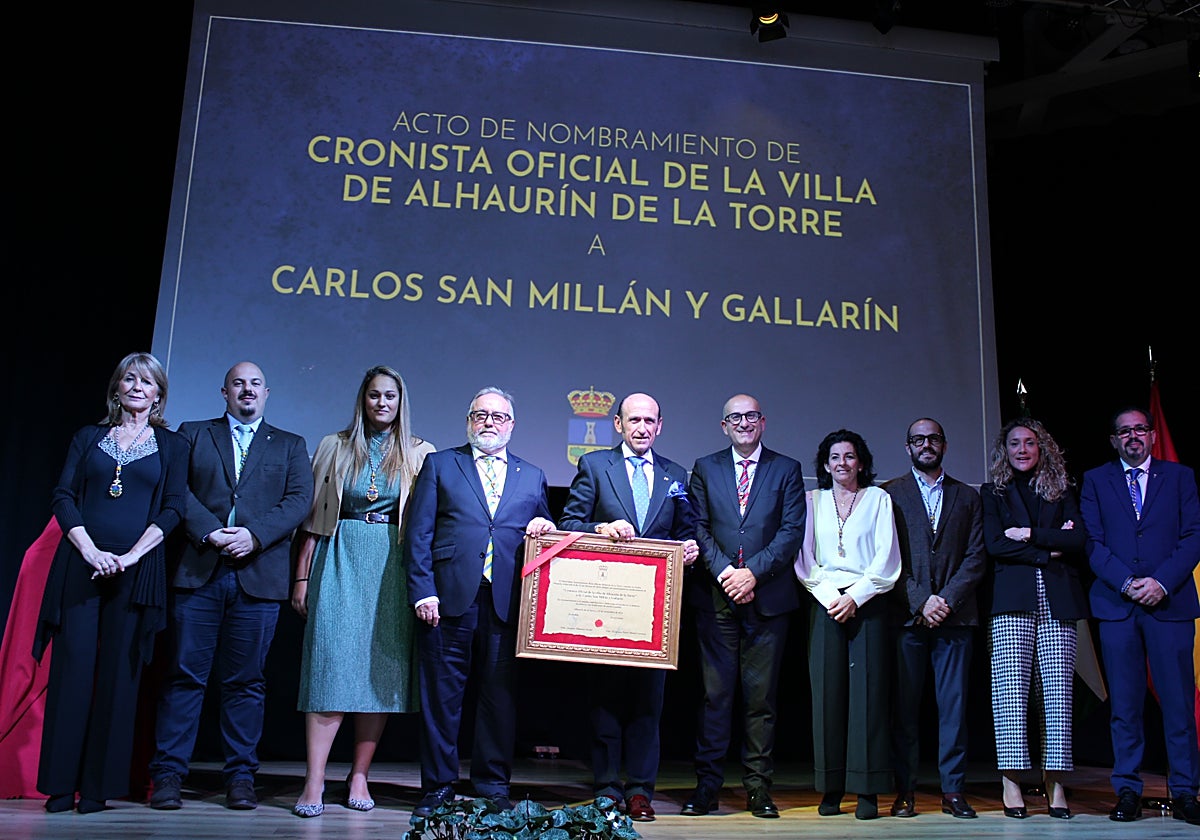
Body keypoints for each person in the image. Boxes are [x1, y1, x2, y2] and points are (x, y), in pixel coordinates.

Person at [148, 361, 313, 811]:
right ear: (224, 392)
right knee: (184, 678)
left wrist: (253, 536)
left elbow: (299, 500)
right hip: (199, 572)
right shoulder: (194, 433)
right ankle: (167, 775)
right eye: (238, 383)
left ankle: (240, 777)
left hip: (258, 579)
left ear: (267, 392)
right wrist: (210, 531)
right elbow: (176, 490)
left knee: (246, 682)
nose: (247, 390)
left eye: (255, 383)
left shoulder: (291, 444)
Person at [33, 352, 189, 814]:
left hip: (136, 570)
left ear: (159, 393)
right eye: (130, 379)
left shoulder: (172, 445)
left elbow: (174, 508)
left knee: (119, 679)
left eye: (148, 381)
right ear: (116, 388)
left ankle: (97, 789)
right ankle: (60, 785)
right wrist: (92, 553)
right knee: (73, 672)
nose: (138, 387)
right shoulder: (88, 437)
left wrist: (129, 557)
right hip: (82, 564)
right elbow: (64, 496)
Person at [289, 366, 435, 817]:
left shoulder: (419, 452)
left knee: (379, 675)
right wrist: (301, 577)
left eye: (390, 396)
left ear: (400, 401)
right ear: (363, 399)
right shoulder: (334, 445)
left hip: (392, 567)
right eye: (374, 395)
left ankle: (359, 775)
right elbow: (312, 519)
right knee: (329, 668)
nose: (381, 403)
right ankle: (314, 781)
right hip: (339, 555)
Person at [404, 387, 555, 817]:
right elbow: (418, 535)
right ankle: (437, 788)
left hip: (507, 603)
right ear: (468, 420)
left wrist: (546, 525)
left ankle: (492, 785)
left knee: (499, 700)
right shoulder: (440, 465)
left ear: (512, 425)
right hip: (446, 599)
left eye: (498, 416)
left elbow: (543, 536)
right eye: (480, 415)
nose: (489, 422)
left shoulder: (533, 474)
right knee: (441, 700)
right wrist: (422, 590)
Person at [558, 392, 700, 822]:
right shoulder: (595, 466)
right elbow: (568, 525)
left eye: (649, 421)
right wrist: (602, 527)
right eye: (633, 420)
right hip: (606, 605)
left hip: (655, 612)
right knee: (604, 702)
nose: (641, 427)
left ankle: (640, 791)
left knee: (647, 706)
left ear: (660, 427)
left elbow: (686, 528)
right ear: (617, 425)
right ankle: (606, 788)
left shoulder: (676, 474)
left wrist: (690, 549)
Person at [681, 394, 804, 819]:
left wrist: (752, 573)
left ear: (763, 422)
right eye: (736, 417)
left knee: (761, 701)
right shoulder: (705, 467)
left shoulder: (786, 469)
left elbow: (791, 532)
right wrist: (725, 575)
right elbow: (696, 526)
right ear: (724, 426)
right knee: (716, 698)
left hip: (769, 599)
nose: (744, 423)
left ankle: (758, 789)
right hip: (716, 599)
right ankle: (707, 788)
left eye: (751, 416)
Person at [1080, 406, 1200, 825]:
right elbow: (1092, 542)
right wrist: (1129, 583)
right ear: (1114, 440)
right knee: (1125, 707)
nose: (1133, 437)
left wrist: (1160, 583)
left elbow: (1192, 537)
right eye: (1124, 431)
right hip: (1118, 606)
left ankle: (1185, 791)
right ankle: (1127, 790)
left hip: (1170, 603)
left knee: (1179, 706)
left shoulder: (1180, 477)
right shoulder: (1096, 480)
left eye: (1140, 430)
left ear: (1151, 436)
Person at [980, 417, 1088, 820]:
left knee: (1058, 694)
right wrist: (1048, 546)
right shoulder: (994, 493)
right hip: (1012, 601)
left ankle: (1055, 782)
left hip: (1059, 600)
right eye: (1014, 444)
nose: (1022, 450)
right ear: (1004, 451)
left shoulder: (1063, 490)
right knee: (1010, 694)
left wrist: (1026, 534)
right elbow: (994, 544)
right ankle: (1012, 781)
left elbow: (1077, 540)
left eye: (1029, 443)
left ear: (1042, 448)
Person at [882, 418, 985, 819]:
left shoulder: (968, 496)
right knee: (904, 710)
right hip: (907, 618)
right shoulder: (888, 494)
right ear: (907, 447)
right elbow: (887, 557)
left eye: (933, 439)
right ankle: (904, 790)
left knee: (954, 710)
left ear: (944, 445)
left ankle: (953, 791)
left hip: (956, 619)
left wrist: (945, 600)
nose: (926, 445)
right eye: (918, 440)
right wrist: (922, 601)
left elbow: (976, 557)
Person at [794, 428, 899, 820]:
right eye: (835, 457)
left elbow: (886, 558)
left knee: (868, 698)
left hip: (866, 603)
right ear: (825, 464)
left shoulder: (878, 499)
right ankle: (831, 787)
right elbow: (805, 560)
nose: (842, 463)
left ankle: (867, 788)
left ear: (861, 462)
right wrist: (832, 598)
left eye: (849, 456)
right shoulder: (811, 501)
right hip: (825, 602)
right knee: (828, 697)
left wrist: (856, 597)